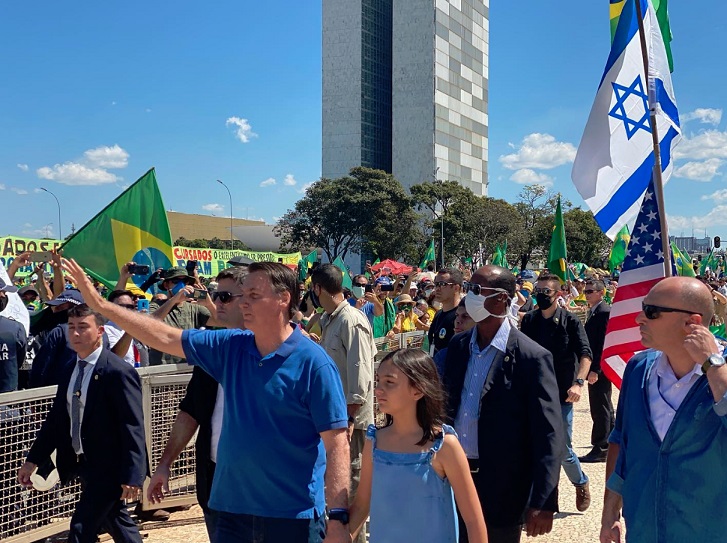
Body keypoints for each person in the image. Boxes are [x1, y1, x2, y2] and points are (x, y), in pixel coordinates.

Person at [62, 258, 351, 543]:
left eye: (253, 295)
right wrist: (100, 305)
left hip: (292, 518)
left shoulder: (315, 364)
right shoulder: (230, 346)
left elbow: (337, 443)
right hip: (230, 513)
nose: (243, 303)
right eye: (243, 295)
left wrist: (338, 518)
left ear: (283, 299)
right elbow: (163, 335)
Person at [600, 277, 727, 543]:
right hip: (644, 531)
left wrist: (712, 364)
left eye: (651, 311)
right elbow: (621, 441)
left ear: (691, 322)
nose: (638, 319)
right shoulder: (637, 369)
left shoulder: (721, 371)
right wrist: (609, 511)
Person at [443, 266, 563, 543]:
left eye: (476, 290)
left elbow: (549, 433)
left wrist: (543, 500)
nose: (469, 295)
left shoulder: (532, 357)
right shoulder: (459, 347)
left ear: (500, 299)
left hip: (502, 488)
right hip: (452, 481)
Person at [17, 304, 148, 543]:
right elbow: (57, 421)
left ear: (100, 331)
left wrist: (134, 474)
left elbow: (133, 426)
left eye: (83, 327)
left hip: (110, 465)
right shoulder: (70, 369)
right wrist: (32, 460)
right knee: (116, 520)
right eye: (72, 328)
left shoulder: (117, 371)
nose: (76, 334)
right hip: (83, 462)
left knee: (80, 528)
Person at [147, 266, 248, 541]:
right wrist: (165, 464)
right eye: (215, 295)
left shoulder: (286, 352)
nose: (216, 303)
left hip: (261, 485)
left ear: (250, 299)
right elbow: (191, 411)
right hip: (215, 479)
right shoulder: (212, 352)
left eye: (225, 296)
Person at [350, 349, 488, 543]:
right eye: (378, 380)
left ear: (418, 389)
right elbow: (361, 506)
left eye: (389, 382)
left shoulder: (445, 446)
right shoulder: (374, 442)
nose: (379, 389)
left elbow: (473, 521)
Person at [311, 264, 377, 543]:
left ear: (317, 289)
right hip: (334, 424)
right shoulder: (329, 319)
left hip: (352, 425)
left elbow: (360, 378)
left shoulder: (352, 320)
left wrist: (349, 418)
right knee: (336, 494)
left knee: (350, 495)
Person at [520, 273, 593, 512]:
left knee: (560, 448)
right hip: (534, 392)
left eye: (546, 292)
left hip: (562, 395)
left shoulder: (571, 321)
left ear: (558, 294)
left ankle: (580, 482)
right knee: (531, 446)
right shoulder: (529, 321)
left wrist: (579, 383)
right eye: (537, 292)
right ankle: (538, 502)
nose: (541, 296)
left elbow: (585, 354)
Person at [148, 266, 220, 366]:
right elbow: (150, 323)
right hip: (162, 367)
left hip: (188, 366)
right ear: (166, 285)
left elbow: (220, 321)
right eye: (176, 281)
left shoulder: (194, 308)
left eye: (185, 281)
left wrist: (209, 303)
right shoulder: (156, 305)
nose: (181, 285)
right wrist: (174, 300)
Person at [579, 280, 613, 463]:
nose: (587, 294)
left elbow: (602, 344)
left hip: (599, 367)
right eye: (586, 291)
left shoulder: (604, 312)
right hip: (596, 366)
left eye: (591, 291)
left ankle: (601, 447)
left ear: (601, 293)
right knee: (604, 405)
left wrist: (596, 369)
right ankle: (610, 442)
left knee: (600, 407)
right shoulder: (594, 311)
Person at [428, 268, 464, 356]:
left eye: (442, 284)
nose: (437, 289)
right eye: (436, 284)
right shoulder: (438, 314)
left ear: (456, 288)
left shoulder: (462, 317)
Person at [0, 277, 28, 392]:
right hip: (8, 400)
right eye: (3, 292)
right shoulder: (15, 328)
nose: (4, 296)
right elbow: (19, 359)